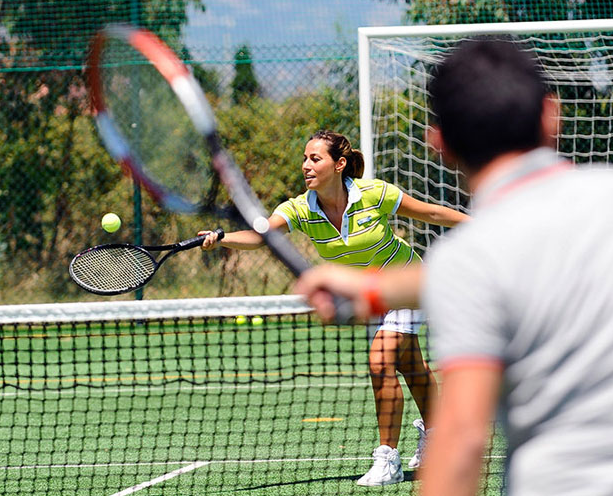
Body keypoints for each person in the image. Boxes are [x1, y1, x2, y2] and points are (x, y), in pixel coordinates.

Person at [295, 38, 613, 496]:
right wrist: (373, 293)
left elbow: (465, 439)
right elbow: (517, 266)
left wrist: (370, 292)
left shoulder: (471, 262)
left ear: (440, 144)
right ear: (552, 116)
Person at [199, 129, 469, 487]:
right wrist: (223, 239)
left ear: (339, 164)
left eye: (315, 158)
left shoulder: (373, 194)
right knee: (410, 365)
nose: (306, 166)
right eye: (305, 159)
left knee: (380, 360)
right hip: (369, 295)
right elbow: (261, 236)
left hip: (407, 282)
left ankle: (388, 459)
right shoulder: (299, 209)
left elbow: (431, 213)